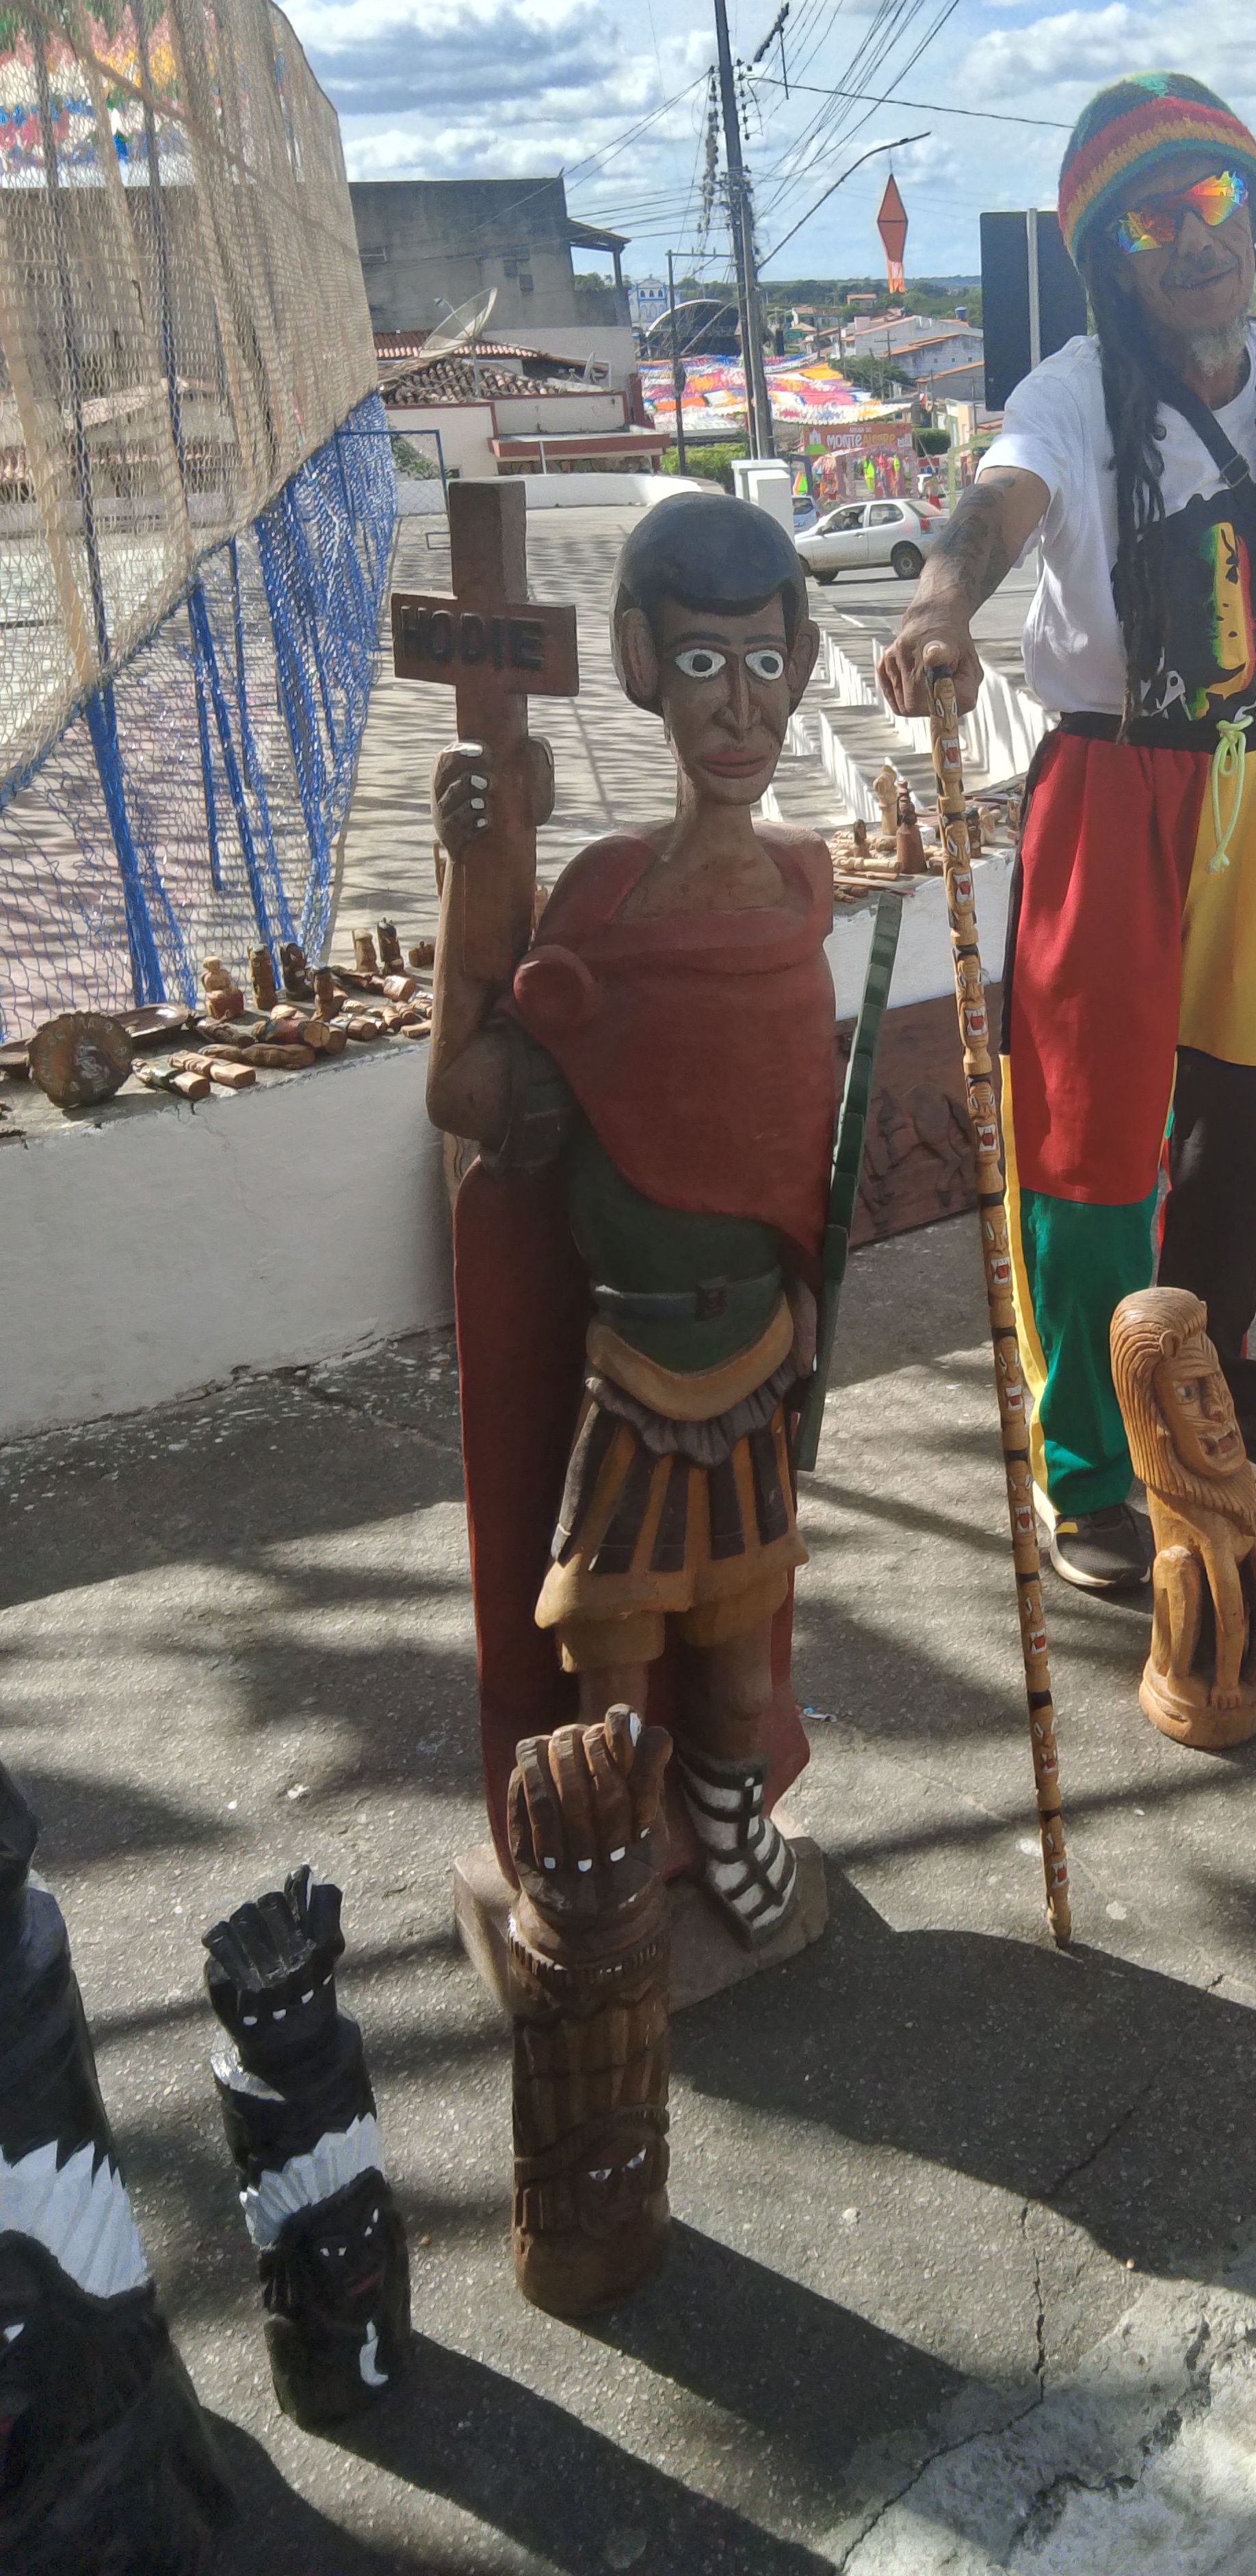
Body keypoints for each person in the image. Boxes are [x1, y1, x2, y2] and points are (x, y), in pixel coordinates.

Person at [877, 70, 1256, 1593]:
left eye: (1213, 202)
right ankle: (1090, 1463)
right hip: (1110, 786)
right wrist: (938, 607)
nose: (1195, 240)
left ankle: (1197, 1401)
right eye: (1154, 221)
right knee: (1089, 1137)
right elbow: (995, 508)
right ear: (1111, 255)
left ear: (1253, 213)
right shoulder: (1072, 391)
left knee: (1233, 1126)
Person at [426, 496, 838, 1950]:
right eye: (706, 663)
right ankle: (611, 1848)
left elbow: (794, 1139)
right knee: (612, 1651)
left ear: (801, 666)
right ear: (640, 663)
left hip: (758, 1364)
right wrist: (486, 874)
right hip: (630, 1376)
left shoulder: (801, 892)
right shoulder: (604, 897)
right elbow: (474, 1089)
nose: (740, 706)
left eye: (765, 663)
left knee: (738, 1652)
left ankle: (725, 1822)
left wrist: (808, 1287)